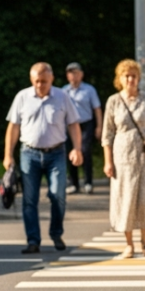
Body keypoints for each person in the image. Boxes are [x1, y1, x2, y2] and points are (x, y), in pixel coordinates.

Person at [3, 62, 83, 253]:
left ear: (52, 79)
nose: (40, 85)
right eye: (37, 81)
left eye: (44, 81)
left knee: (57, 195)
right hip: (29, 154)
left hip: (56, 153)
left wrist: (77, 148)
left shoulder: (62, 97)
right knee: (30, 200)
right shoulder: (22, 97)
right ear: (32, 80)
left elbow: (73, 124)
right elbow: (13, 127)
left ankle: (56, 232)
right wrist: (8, 155)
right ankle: (33, 240)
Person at [102, 59, 145, 259]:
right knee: (125, 200)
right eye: (126, 76)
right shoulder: (113, 101)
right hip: (122, 158)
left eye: (134, 76)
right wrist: (108, 161)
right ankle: (129, 245)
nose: (130, 79)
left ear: (139, 78)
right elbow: (107, 134)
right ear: (120, 79)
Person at [62, 62, 102, 194]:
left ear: (81, 75)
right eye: (71, 73)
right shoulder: (63, 91)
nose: (74, 76)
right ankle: (73, 183)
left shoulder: (89, 90)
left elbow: (97, 109)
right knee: (70, 153)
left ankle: (88, 182)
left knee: (84, 151)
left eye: (76, 73)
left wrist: (99, 126)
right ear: (68, 76)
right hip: (69, 126)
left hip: (85, 124)